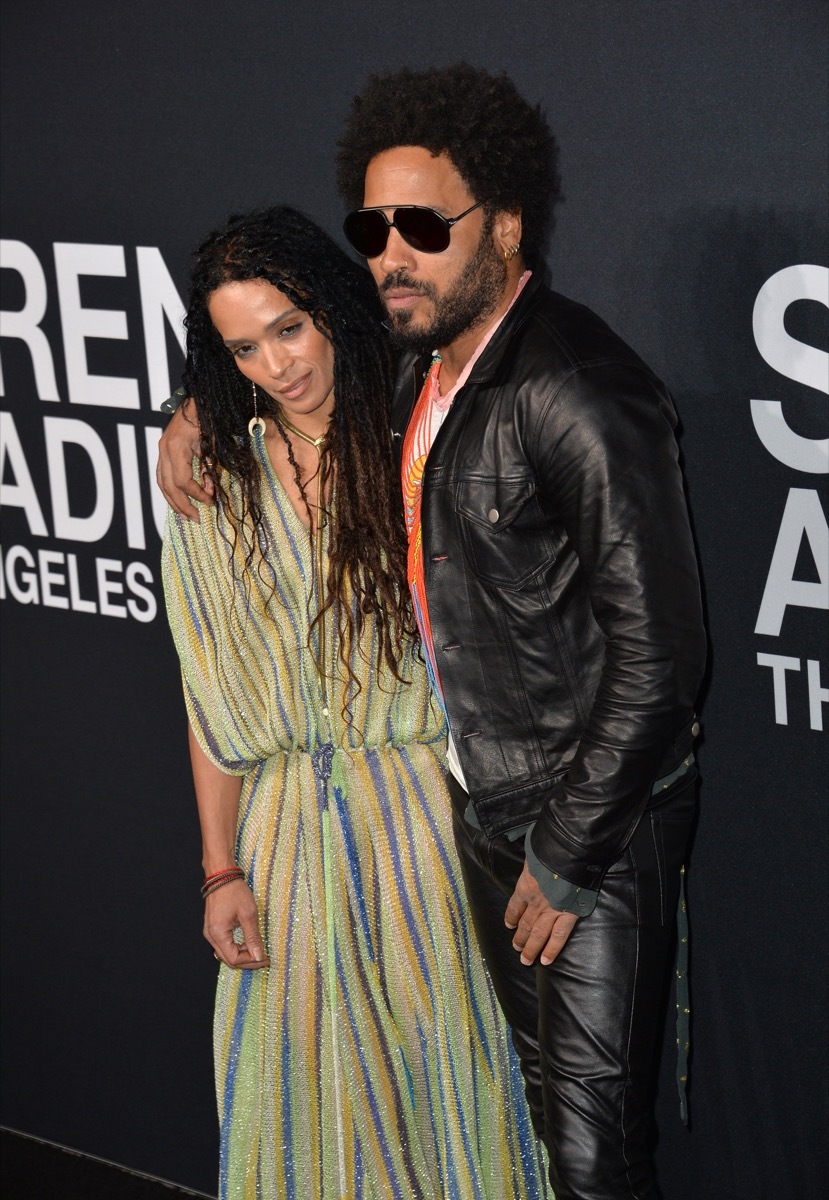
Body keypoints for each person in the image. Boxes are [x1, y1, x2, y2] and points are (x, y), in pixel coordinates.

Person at [158, 65, 707, 1200]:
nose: (392, 254)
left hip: (527, 830)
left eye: (422, 224)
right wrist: (196, 403)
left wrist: (567, 852)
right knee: (492, 1130)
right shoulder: (372, 397)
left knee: (571, 1146)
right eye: (375, 227)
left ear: (501, 224)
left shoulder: (514, 391)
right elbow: (215, 699)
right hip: (422, 829)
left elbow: (660, 655)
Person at [160, 205, 550, 1200]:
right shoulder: (217, 485)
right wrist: (219, 872)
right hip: (285, 843)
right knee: (298, 1121)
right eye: (245, 348)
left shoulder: (415, 446)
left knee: (452, 1099)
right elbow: (212, 704)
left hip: (425, 828)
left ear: (331, 307)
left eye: (289, 328)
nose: (278, 365)